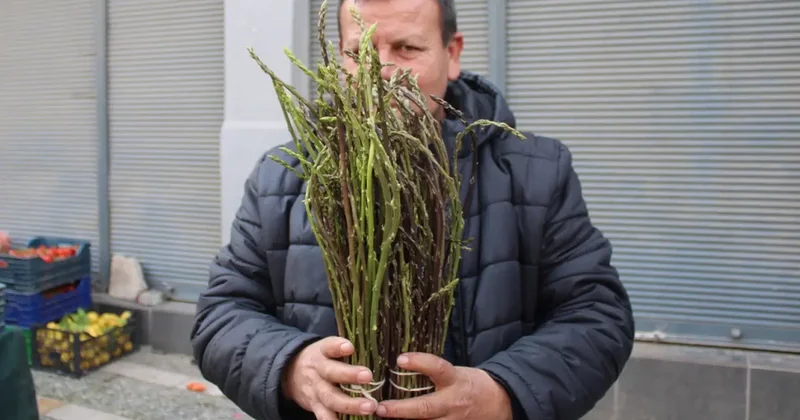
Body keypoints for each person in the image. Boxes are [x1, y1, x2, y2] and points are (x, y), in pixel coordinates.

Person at [191, 0, 635, 419]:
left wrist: (503, 392)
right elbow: (221, 314)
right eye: (356, 52)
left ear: (452, 52)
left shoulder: (538, 173)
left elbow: (598, 317)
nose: (380, 74)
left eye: (406, 48)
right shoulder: (280, 176)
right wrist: (290, 368)